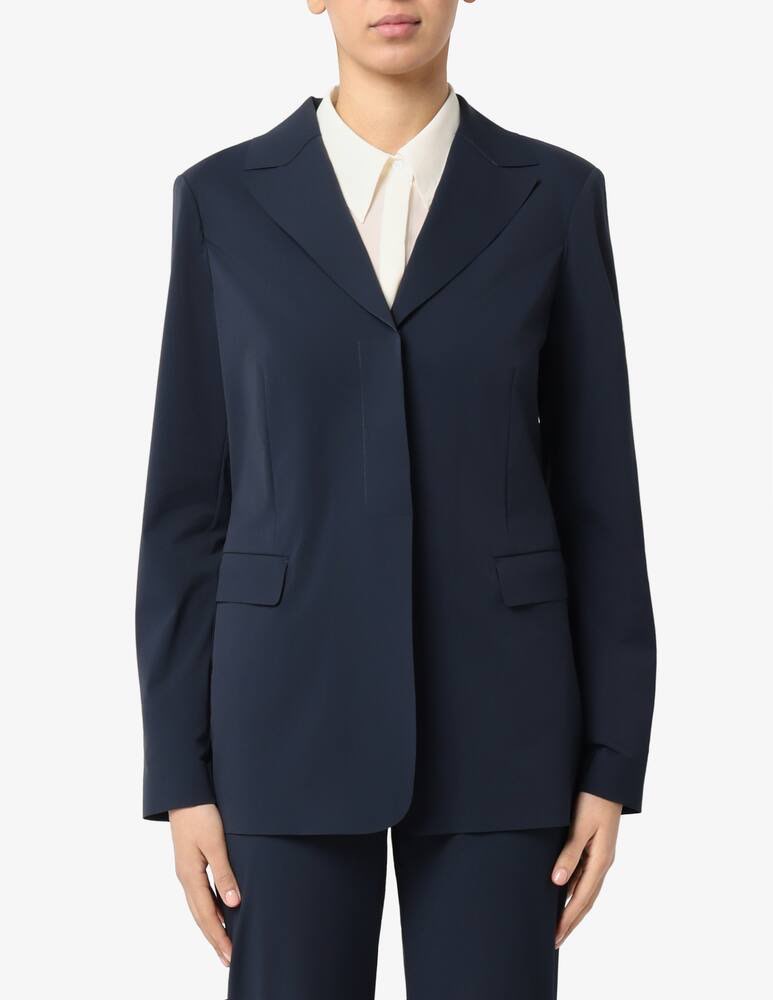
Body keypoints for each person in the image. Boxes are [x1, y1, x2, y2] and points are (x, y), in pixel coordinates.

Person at [135, 2, 656, 997]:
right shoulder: (219, 200)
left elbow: (600, 499)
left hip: (504, 718)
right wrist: (179, 771)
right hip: (279, 715)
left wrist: (609, 759)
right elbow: (187, 506)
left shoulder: (554, 196)